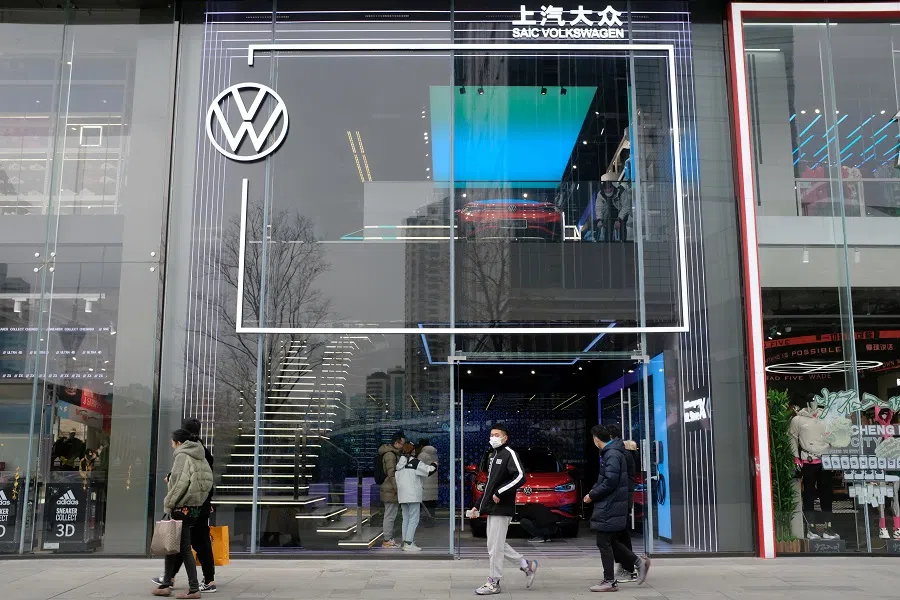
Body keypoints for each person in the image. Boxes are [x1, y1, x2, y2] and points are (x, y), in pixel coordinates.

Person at [468, 424, 538, 596]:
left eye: (497, 434)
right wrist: (478, 505)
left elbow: (521, 476)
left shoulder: (509, 453)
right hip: (493, 508)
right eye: (491, 434)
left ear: (505, 438)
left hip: (502, 507)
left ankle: (494, 582)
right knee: (494, 545)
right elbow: (490, 486)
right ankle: (526, 565)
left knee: (495, 547)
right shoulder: (494, 456)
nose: (493, 437)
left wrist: (501, 491)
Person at [153, 419, 217, 593]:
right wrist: (205, 498)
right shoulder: (202, 451)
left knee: (187, 542)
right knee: (189, 542)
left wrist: (170, 503)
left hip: (187, 504)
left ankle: (181, 582)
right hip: (199, 502)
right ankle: (172, 579)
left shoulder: (186, 452)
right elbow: (205, 478)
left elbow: (182, 480)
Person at [584, 424, 649, 593]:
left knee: (603, 541)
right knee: (611, 540)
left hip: (610, 504)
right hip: (613, 502)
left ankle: (610, 581)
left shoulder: (612, 454)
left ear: (596, 439)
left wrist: (593, 495)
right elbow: (606, 478)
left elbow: (610, 482)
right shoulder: (613, 452)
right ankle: (638, 563)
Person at [607, 424, 637, 583]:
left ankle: (630, 567)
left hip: (621, 499)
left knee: (619, 534)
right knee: (619, 533)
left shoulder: (621, 454)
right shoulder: (623, 452)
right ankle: (629, 566)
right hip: (623, 498)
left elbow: (614, 479)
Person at [395, 442, 437, 552]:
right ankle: (409, 543)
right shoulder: (414, 462)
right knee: (414, 519)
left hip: (402, 495)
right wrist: (435, 464)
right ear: (413, 450)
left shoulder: (399, 464)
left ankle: (406, 542)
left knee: (406, 518)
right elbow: (429, 471)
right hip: (413, 495)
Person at [378, 432, 405, 548]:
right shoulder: (390, 455)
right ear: (396, 443)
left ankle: (388, 539)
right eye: (402, 443)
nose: (403, 446)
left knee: (390, 515)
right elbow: (391, 474)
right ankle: (387, 540)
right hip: (390, 489)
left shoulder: (392, 453)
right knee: (390, 515)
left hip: (390, 488)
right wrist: (397, 488)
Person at [416, 439, 439, 527]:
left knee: (424, 504)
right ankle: (431, 519)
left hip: (424, 483)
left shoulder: (422, 455)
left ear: (422, 445)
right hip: (433, 483)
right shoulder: (435, 455)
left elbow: (418, 468)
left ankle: (426, 520)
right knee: (431, 504)